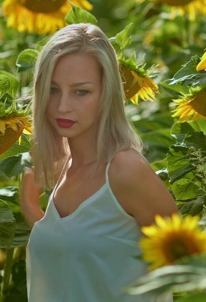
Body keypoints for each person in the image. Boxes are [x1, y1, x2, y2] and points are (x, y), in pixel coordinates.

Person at [20, 23, 179, 301]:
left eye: (81, 92)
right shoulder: (63, 168)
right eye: (53, 90)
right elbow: (78, 257)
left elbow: (193, 272)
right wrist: (33, 209)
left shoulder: (125, 171)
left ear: (107, 94)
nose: (62, 106)